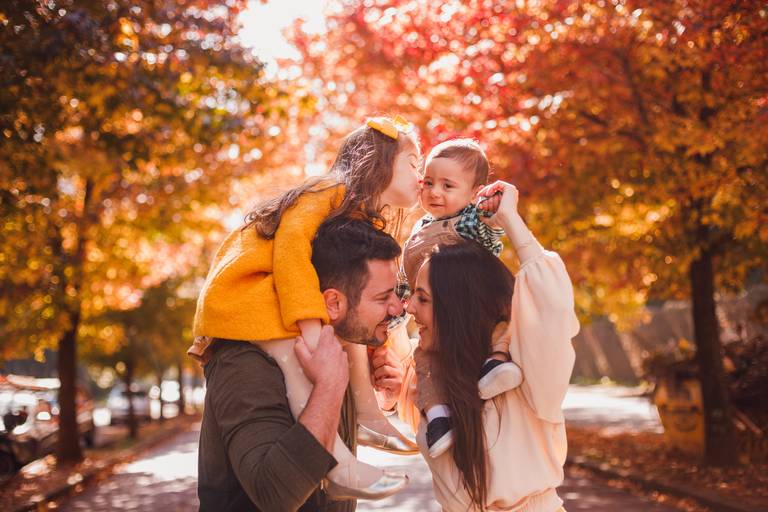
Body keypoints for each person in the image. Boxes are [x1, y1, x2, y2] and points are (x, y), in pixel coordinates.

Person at [192, 116, 420, 498]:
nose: (421, 176)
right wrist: (313, 331)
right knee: (301, 362)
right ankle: (340, 466)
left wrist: (376, 365)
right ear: (382, 161)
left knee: (337, 350)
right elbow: (291, 254)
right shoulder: (327, 190)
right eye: (413, 163)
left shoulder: (353, 213)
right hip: (249, 296)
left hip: (279, 292)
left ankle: (368, 414)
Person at [198, 217, 409, 511]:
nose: (398, 308)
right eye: (383, 297)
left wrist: (382, 399)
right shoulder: (243, 363)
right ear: (333, 303)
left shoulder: (336, 350)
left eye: (396, 294)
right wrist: (329, 387)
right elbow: (273, 494)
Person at [402, 181, 579, 511]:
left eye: (422, 298)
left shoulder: (525, 379)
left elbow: (551, 308)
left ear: (458, 308)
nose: (410, 308)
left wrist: (510, 219)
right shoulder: (434, 377)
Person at [398, 138, 524, 457]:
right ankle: (439, 417)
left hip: (467, 305)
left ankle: (497, 361)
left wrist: (491, 206)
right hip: (434, 314)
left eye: (447, 185)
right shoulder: (420, 227)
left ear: (472, 193)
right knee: (425, 360)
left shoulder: (468, 220)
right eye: (428, 182)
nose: (434, 192)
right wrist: (396, 309)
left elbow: (490, 227)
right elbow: (405, 277)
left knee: (500, 323)